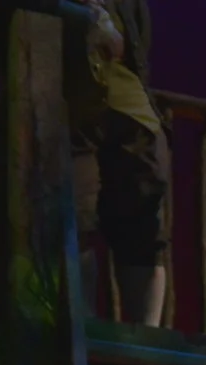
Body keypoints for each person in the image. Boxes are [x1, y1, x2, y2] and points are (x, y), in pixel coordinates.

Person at [70, 0, 171, 325]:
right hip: (68, 100)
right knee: (74, 218)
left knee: (145, 222)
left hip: (128, 109)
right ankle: (82, 335)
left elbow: (137, 40)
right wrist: (86, 17)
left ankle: (146, 340)